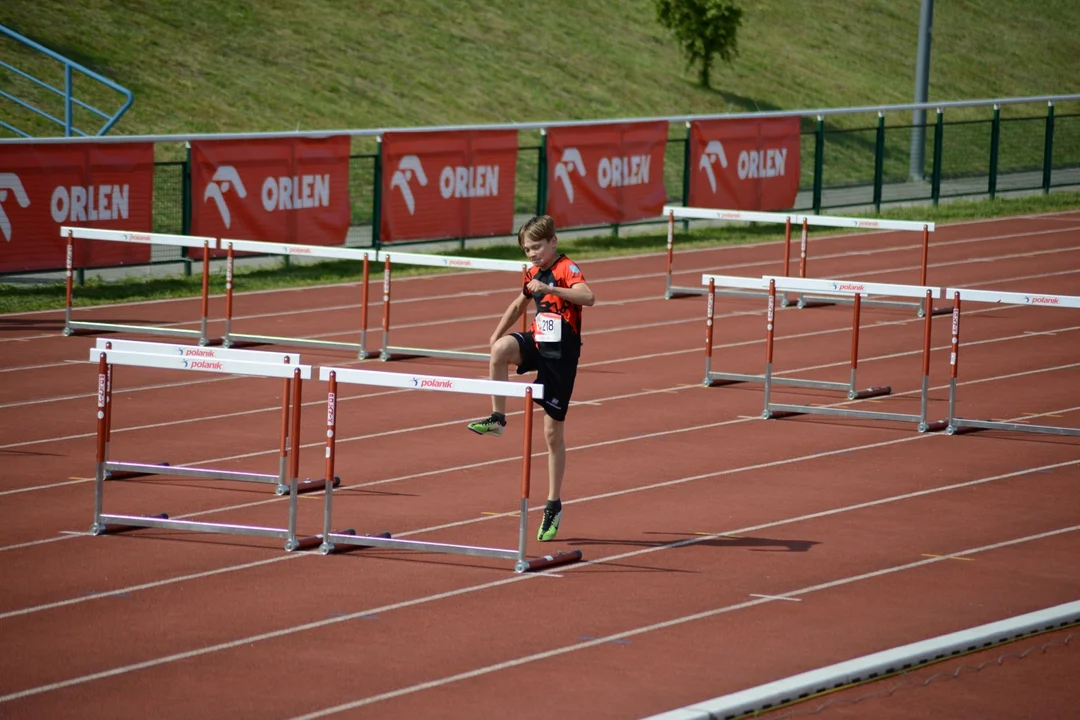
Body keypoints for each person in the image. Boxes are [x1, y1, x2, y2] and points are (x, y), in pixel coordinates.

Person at [468, 215, 595, 542]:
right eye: (527, 250)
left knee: (552, 435)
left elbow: (589, 297)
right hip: (538, 342)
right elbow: (519, 301)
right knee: (499, 352)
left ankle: (553, 503)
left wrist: (551, 287)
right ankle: (498, 418)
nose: (533, 254)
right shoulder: (530, 272)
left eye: (537, 247)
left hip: (562, 356)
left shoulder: (567, 268)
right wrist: (495, 334)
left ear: (553, 242)